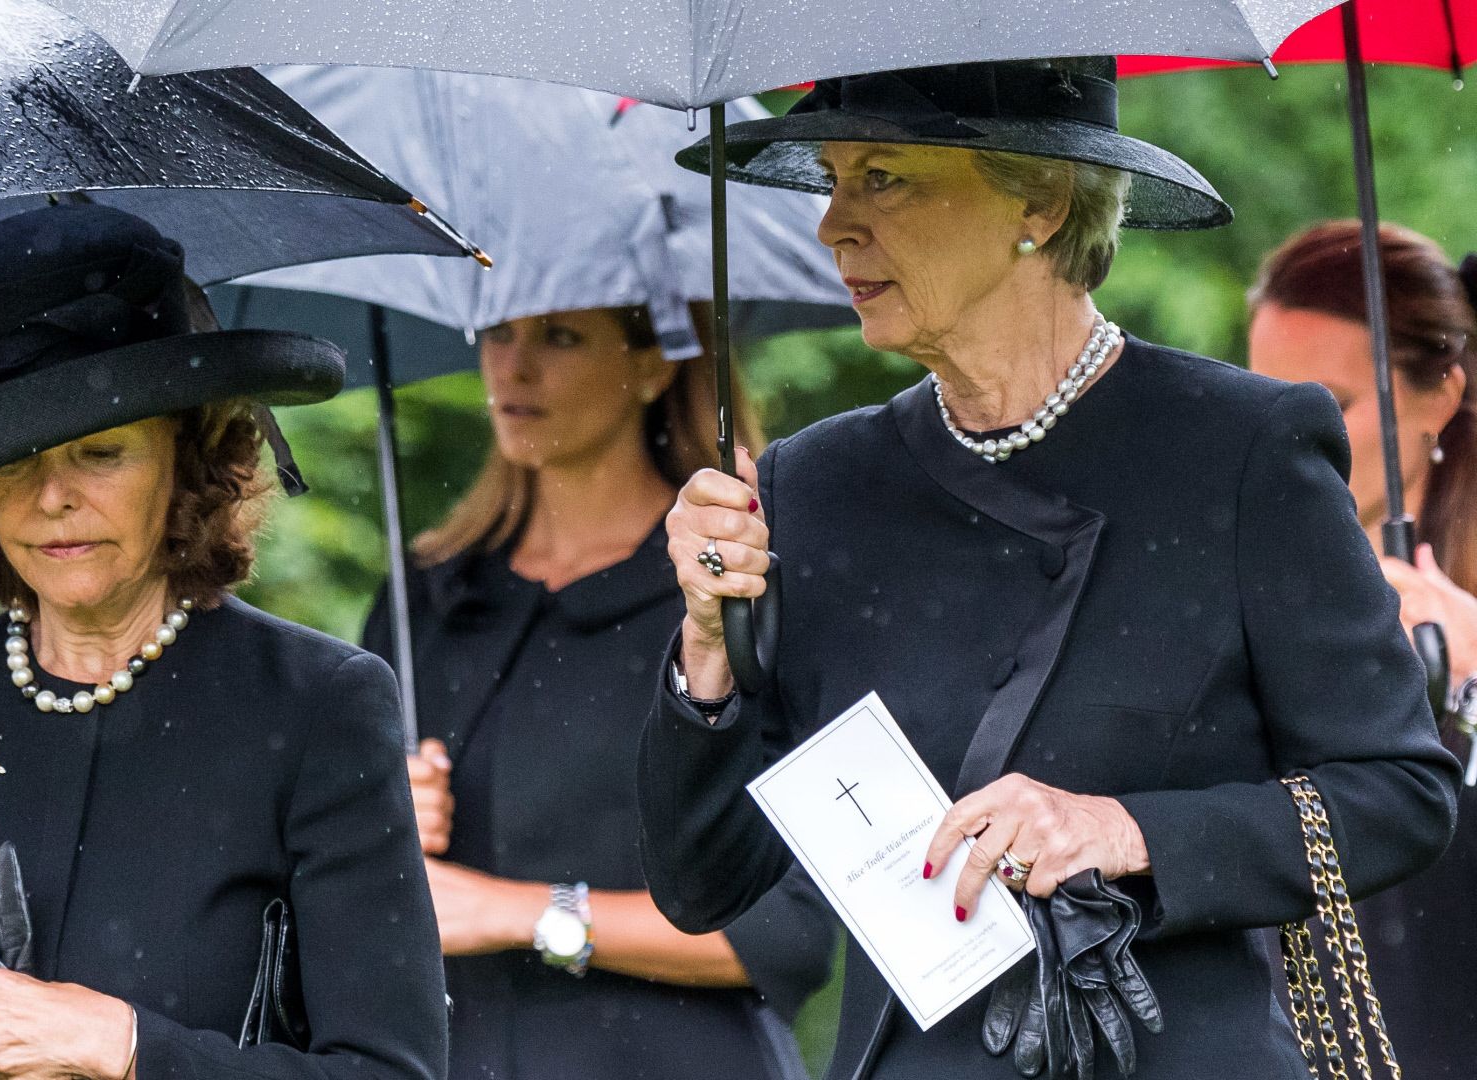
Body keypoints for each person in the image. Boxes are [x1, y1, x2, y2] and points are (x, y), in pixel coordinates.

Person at [640, 58, 1461, 1080]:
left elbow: (1396, 797)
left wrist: (1121, 830)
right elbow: (704, 882)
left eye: (883, 177)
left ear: (1041, 196)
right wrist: (707, 652)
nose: (833, 226)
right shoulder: (817, 483)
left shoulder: (1241, 449)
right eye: (835, 178)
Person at [0, 204, 446, 1080]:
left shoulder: (316, 704)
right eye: (9, 459)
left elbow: (392, 1071)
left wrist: (127, 1048)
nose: (52, 498)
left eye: (99, 451)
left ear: (187, 453)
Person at [362, 304, 836, 1080]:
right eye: (497, 333)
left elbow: (789, 931)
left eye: (561, 336)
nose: (512, 368)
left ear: (654, 365)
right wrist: (374, 819)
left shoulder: (730, 596)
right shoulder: (427, 600)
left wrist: (522, 913)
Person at [1247, 219, 1477, 1079]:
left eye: (1331, 402)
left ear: (1441, 394)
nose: (1285, 435)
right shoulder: (1251, 582)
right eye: (1264, 400)